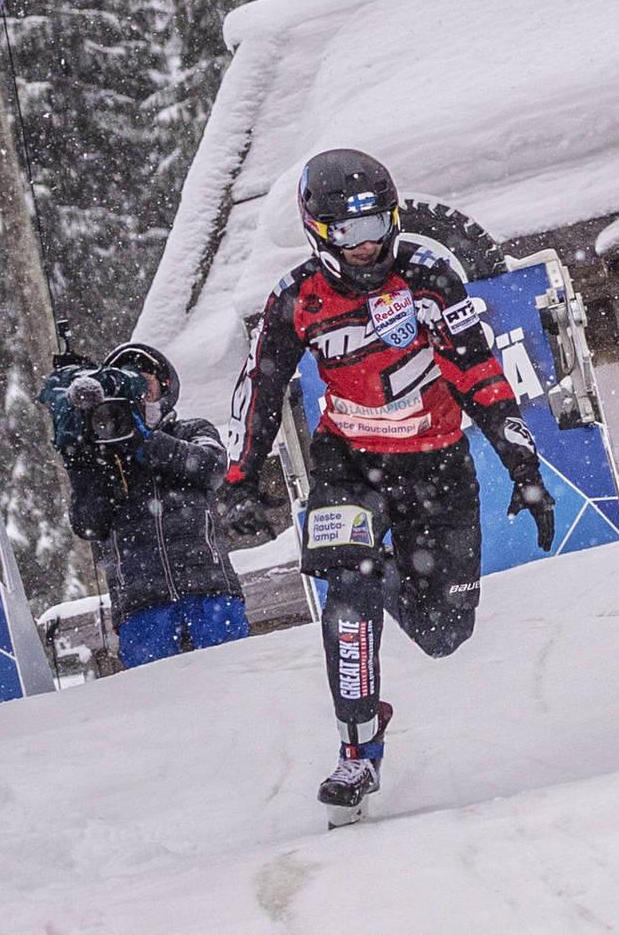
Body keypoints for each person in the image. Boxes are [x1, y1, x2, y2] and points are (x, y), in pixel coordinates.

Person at [222, 149, 556, 825]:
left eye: (375, 224)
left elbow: (480, 374)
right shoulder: (295, 298)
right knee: (349, 595)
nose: (365, 244)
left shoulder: (429, 276)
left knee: (444, 632)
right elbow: (261, 386)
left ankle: (382, 569)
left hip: (437, 467)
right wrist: (240, 476)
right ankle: (358, 748)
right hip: (348, 462)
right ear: (318, 233)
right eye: (347, 231)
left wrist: (524, 468)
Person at [57, 341, 248, 668]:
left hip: (209, 589)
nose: (141, 394)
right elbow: (89, 525)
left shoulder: (192, 430)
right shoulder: (105, 458)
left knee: (236, 678)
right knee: (155, 695)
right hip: (141, 604)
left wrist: (146, 442)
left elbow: (212, 467)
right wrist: (82, 464)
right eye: (130, 385)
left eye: (146, 384)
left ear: (165, 385)